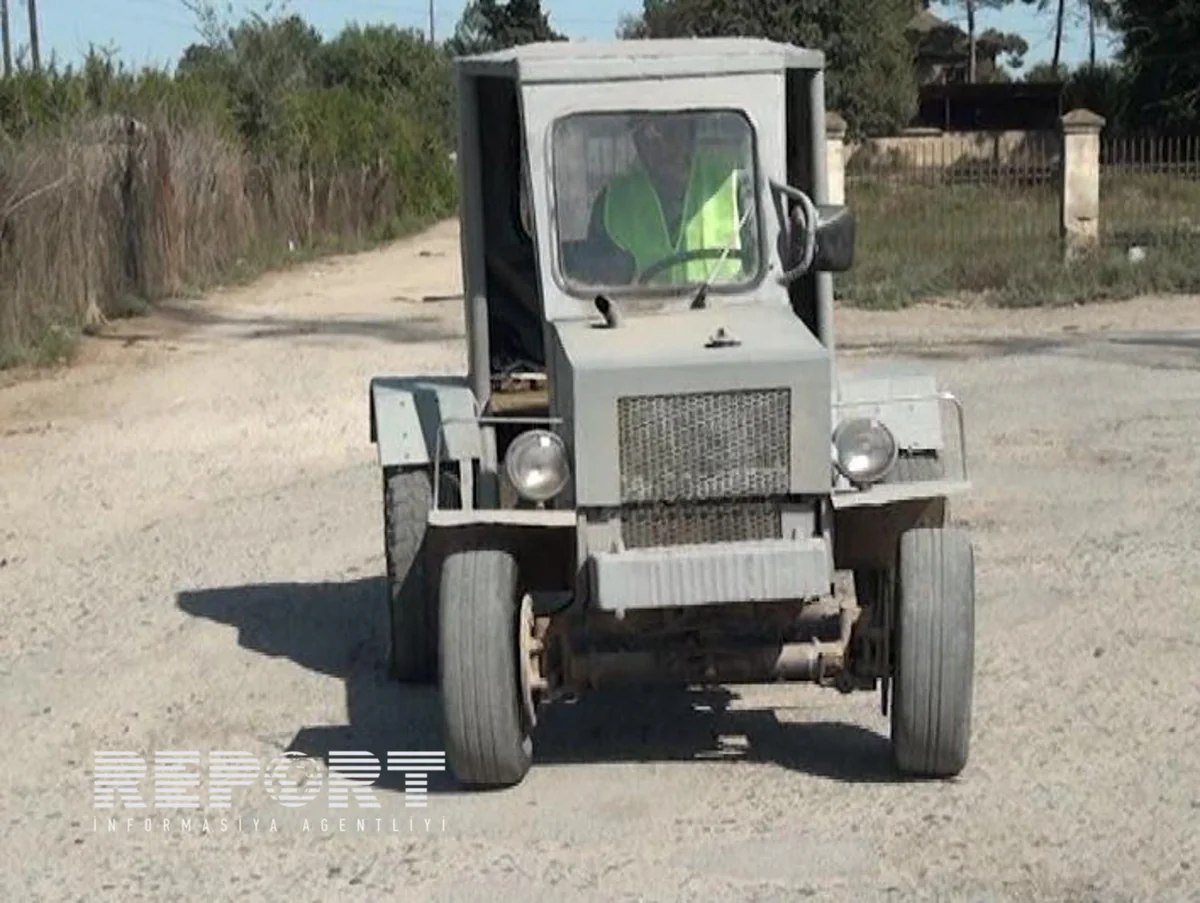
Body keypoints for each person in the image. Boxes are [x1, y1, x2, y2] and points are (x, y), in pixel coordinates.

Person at [582, 113, 752, 286]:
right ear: (636, 140)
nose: (662, 143)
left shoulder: (733, 184)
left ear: (690, 129)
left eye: (671, 128)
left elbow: (761, 269)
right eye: (648, 132)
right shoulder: (612, 201)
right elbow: (598, 285)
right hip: (638, 312)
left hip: (725, 309)